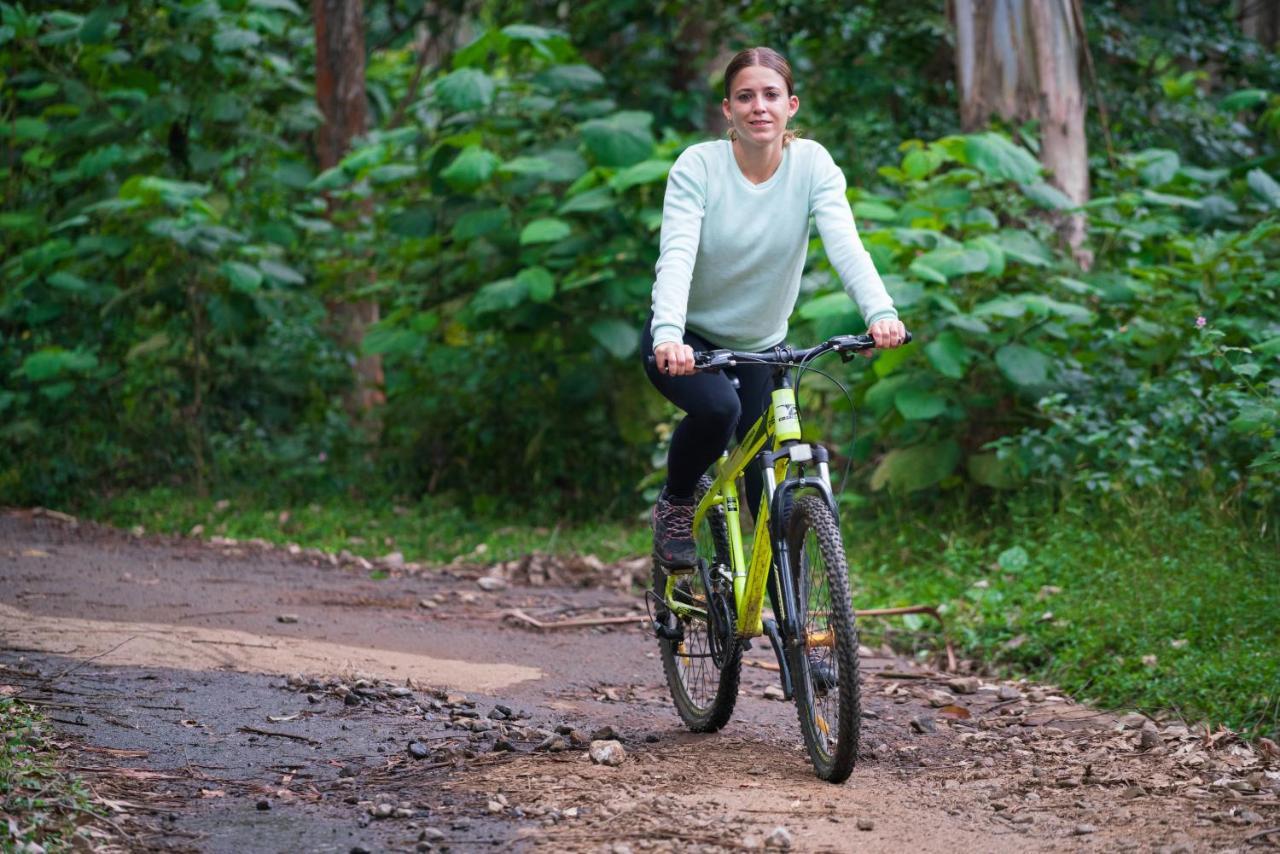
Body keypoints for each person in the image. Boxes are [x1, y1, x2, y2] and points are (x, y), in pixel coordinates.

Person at [643, 46, 908, 569]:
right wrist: (668, 334)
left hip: (762, 347)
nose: (758, 106)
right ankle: (676, 503)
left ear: (792, 105)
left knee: (767, 489)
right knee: (720, 410)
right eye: (745, 96)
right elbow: (676, 254)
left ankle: (787, 624)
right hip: (688, 338)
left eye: (770, 95)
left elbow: (846, 245)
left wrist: (880, 313)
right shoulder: (699, 166)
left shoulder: (812, 165)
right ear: (727, 110)